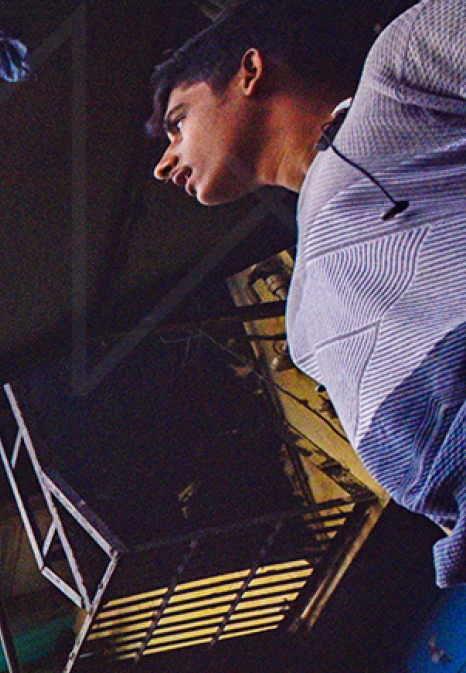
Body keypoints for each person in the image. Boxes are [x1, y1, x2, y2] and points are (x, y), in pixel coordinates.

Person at [151, 1, 466, 584]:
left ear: (249, 71)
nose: (163, 164)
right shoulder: (303, 317)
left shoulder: (401, 69)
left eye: (178, 122)